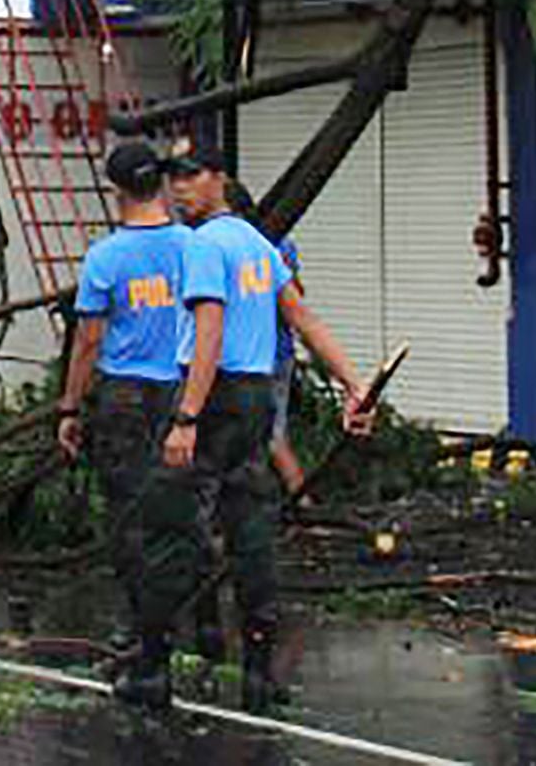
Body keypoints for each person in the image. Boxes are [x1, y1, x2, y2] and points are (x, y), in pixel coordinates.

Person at [163, 138, 377, 710]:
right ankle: (259, 669)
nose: (179, 187)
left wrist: (186, 414)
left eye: (190, 175)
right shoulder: (259, 245)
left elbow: (209, 331)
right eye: (172, 177)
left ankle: (200, 640)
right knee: (250, 524)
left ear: (219, 179)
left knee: (188, 518)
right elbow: (303, 318)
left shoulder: (207, 245)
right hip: (255, 395)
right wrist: (354, 384)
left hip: (214, 391)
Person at [54, 138, 202, 708]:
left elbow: (89, 339)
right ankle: (181, 622)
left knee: (128, 513)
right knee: (178, 511)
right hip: (183, 392)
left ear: (116, 189)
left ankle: (143, 630)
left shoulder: (107, 258)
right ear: (161, 182)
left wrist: (70, 404)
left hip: (125, 395)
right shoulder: (192, 247)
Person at [227, 180, 309, 500]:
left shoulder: (234, 246)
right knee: (268, 435)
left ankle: (303, 500)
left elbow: (295, 300)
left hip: (257, 356)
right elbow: (298, 297)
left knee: (269, 436)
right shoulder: (277, 241)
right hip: (276, 352)